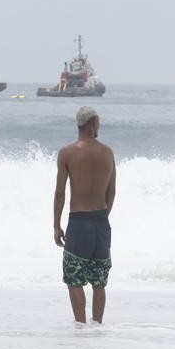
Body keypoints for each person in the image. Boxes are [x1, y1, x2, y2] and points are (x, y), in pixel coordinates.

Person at [53, 106, 117, 324]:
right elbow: (111, 192)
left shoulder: (67, 153)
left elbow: (60, 193)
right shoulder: (107, 153)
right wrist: (102, 216)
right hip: (101, 221)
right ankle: (97, 326)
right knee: (99, 281)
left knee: (74, 278)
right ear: (93, 123)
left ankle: (80, 328)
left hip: (78, 222)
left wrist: (56, 225)